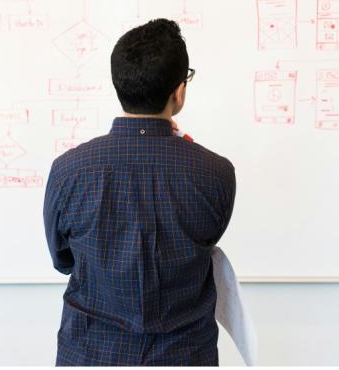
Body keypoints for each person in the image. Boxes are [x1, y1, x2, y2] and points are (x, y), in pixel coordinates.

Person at [43, 18, 237, 366]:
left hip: (90, 353)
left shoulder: (68, 171)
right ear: (179, 91)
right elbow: (205, 243)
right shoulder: (216, 173)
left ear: (119, 84)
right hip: (184, 356)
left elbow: (63, 261)